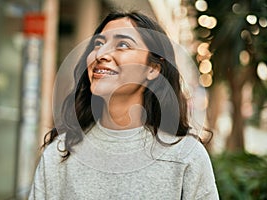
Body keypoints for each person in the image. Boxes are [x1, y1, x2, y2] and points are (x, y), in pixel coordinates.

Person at [29, 11, 219, 199]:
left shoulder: (186, 157)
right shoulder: (60, 153)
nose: (101, 54)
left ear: (152, 69)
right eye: (98, 44)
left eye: (122, 44)